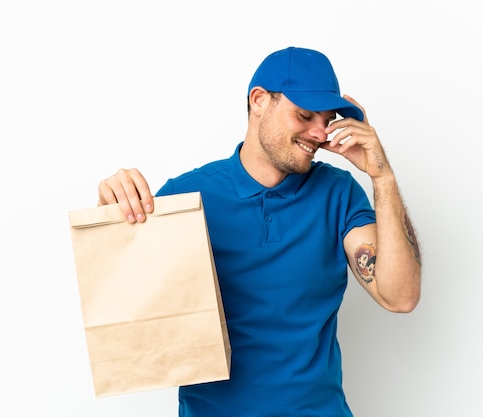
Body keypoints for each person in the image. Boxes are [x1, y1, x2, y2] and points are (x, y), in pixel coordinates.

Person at [97, 46, 421, 417]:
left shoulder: (339, 193)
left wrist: (383, 176)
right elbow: (127, 309)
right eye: (304, 115)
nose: (319, 133)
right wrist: (111, 216)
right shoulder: (185, 197)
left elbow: (401, 297)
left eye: (327, 119)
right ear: (259, 101)